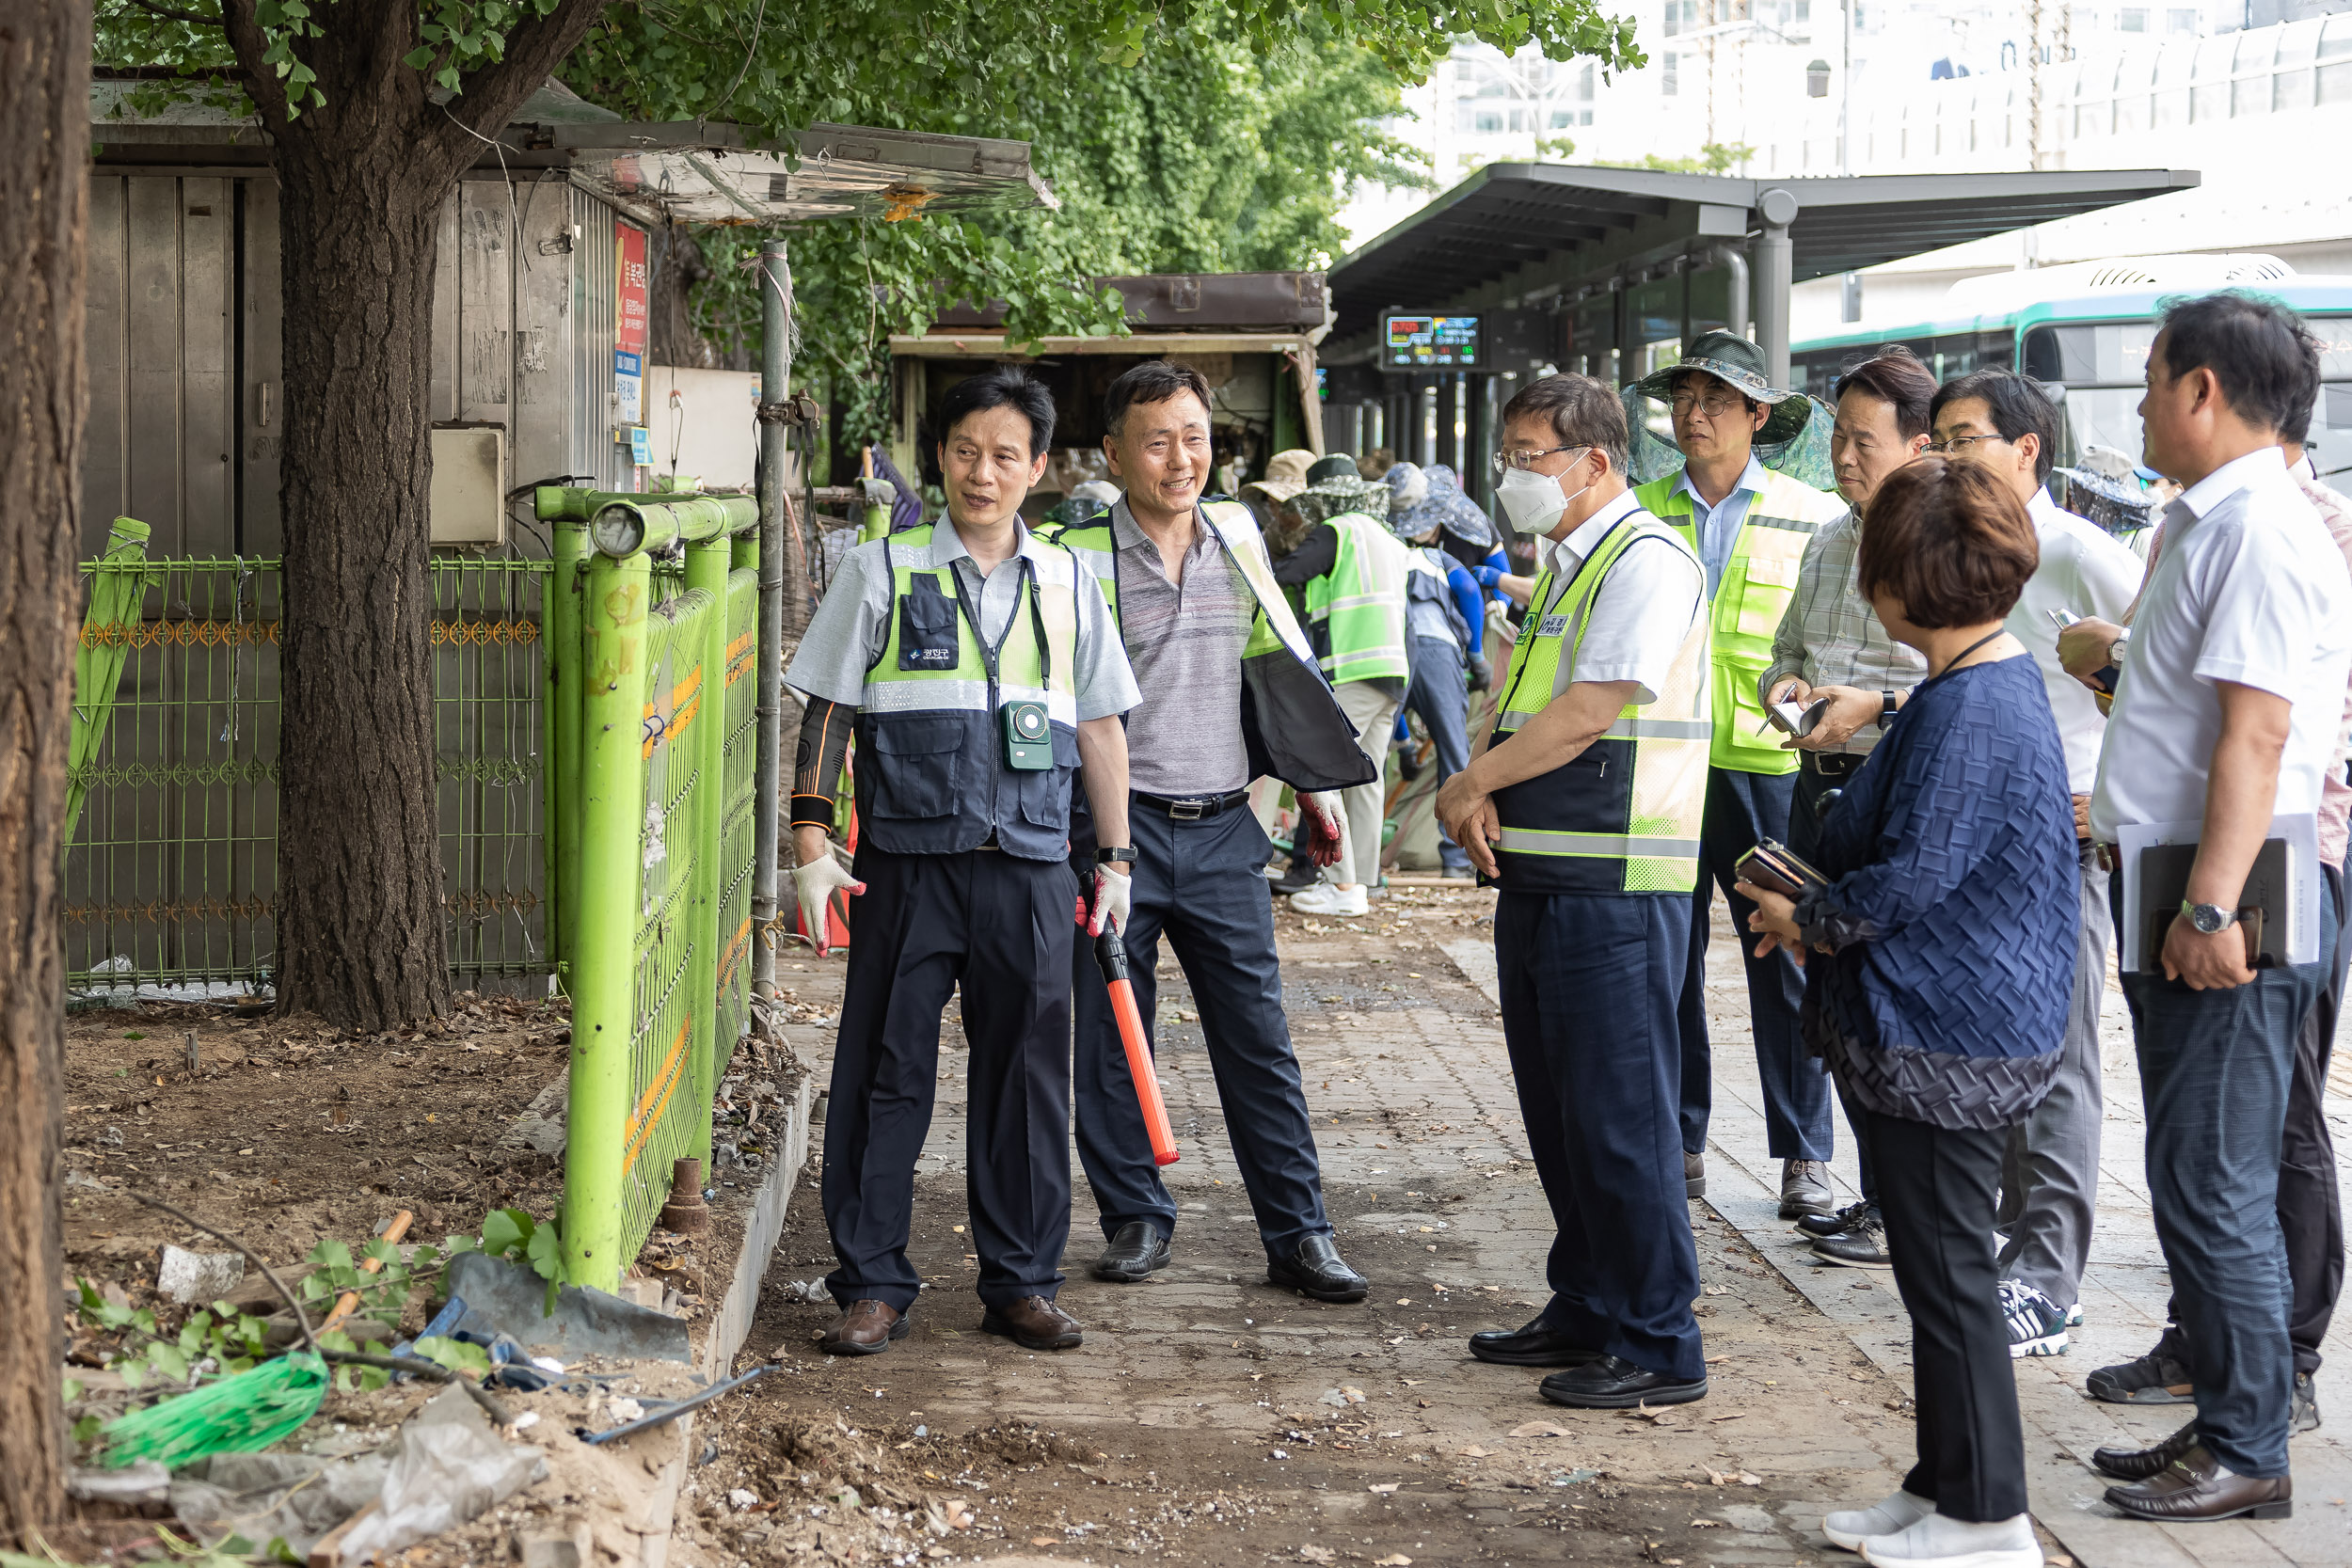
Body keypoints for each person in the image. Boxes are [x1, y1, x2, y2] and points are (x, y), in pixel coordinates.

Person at [1741, 457, 2074, 1568]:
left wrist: (1807, 915)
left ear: (1899, 585)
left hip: (1952, 1032)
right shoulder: (1964, 682)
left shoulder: (1972, 701)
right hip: (1941, 1024)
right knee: (1936, 1270)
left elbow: (1910, 876)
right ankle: (1943, 1479)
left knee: (1947, 1272)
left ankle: (1988, 1517)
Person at [784, 366, 1141, 1356]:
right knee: (883, 1071)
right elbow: (829, 708)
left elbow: (1104, 726)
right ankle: (870, 1281)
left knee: (1028, 1077)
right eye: (965, 452)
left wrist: (1112, 857)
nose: (984, 473)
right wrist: (812, 842)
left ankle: (1021, 1279)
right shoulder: (883, 567)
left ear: (1038, 466)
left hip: (1032, 866)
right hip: (905, 862)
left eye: (1006, 455)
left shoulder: (1071, 580)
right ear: (939, 458)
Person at [2075, 292, 2349, 1523]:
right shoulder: (2210, 522)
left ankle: (2250, 1445)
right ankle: (2225, 1410)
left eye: (2147, 380)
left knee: (2216, 1171)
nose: (2137, 403)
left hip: (2236, 881)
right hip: (2190, 872)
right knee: (2192, 1166)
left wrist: (2209, 906)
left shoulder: (2262, 532)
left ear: (2200, 390)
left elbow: (2260, 737)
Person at [1045, 361, 1374, 1303]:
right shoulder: (1076, 558)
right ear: (1112, 454)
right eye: (1156, 438)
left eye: (1193, 436)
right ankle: (1135, 1215)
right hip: (1116, 835)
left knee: (1258, 1038)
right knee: (1115, 1038)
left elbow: (1272, 662)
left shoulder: (1237, 532)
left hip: (1229, 825)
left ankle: (1299, 1231)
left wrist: (1307, 785)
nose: (1179, 456)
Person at [1435, 374, 1713, 1410]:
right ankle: (1588, 1299)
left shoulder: (1645, 558)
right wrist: (1482, 795)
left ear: (1595, 462)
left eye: (1528, 455)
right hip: (1550, 870)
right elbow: (1521, 704)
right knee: (1559, 1111)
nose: (1513, 476)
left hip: (1617, 881)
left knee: (1618, 1114)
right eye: (1508, 453)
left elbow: (1591, 709)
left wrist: (1469, 784)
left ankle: (1658, 1337)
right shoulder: (1568, 565)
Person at [1926, 369, 2145, 1360]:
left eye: (1964, 437)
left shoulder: (2079, 553)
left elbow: (2164, 679)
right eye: (1936, 439)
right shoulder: (1969, 551)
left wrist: (2106, 795)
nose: (1945, 456)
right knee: (2003, 1051)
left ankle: (2050, 1278)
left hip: (2065, 845)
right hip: (1986, 838)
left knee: (2058, 1060)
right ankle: (2013, 1255)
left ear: (2026, 449)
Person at [1629, 329, 1850, 1218]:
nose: (1693, 414)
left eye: (1715, 400)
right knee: (1665, 961)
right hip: (1663, 773)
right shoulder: (1640, 507)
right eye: (1683, 399)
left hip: (1770, 771)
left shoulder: (1812, 511)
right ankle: (1680, 1143)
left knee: (1786, 957)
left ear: (1758, 416)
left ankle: (1805, 1154)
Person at [1756, 348, 1937, 1271]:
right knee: (1835, 1001)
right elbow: (1782, 649)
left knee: (1895, 1003)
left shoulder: (1940, 539)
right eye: (1835, 436)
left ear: (1917, 443)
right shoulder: (1831, 537)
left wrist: (1872, 708)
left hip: (1895, 790)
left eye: (1861, 439)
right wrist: (1785, 689)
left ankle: (1909, 1207)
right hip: (1818, 784)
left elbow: (1962, 682)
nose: (1841, 455)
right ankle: (1874, 1195)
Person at [1269, 455, 1412, 915]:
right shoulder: (1389, 538)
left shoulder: (1338, 532)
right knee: (1366, 780)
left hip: (1352, 668)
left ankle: (1343, 888)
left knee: (1326, 773)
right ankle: (1364, 882)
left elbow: (1284, 575)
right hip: (1391, 671)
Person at [1385, 461, 1494, 879]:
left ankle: (1359, 865)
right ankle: (1456, 861)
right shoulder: (1437, 557)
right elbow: (1468, 589)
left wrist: (1406, 746)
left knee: (1374, 749)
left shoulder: (1385, 557)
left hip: (1390, 650)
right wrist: (1478, 652)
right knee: (1454, 753)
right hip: (1436, 652)